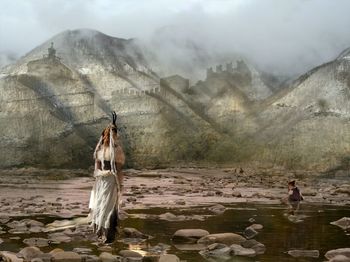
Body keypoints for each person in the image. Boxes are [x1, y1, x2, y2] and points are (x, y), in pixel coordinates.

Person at [88, 111, 125, 243]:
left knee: (105, 205)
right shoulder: (108, 150)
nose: (114, 137)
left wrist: (119, 184)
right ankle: (105, 233)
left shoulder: (108, 150)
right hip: (106, 181)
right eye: (111, 135)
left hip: (106, 181)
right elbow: (115, 169)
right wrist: (120, 184)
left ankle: (105, 233)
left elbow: (115, 169)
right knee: (105, 206)